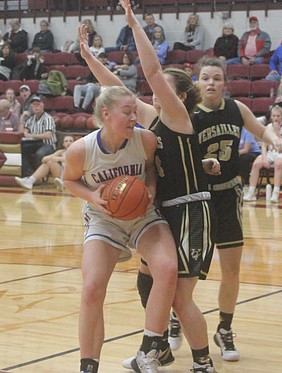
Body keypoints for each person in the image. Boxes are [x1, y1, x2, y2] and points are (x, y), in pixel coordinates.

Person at [79, 0, 219, 373]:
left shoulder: (176, 116)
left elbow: (153, 71)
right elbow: (117, 90)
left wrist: (133, 22)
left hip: (189, 208)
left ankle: (196, 362)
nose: (154, 90)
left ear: (180, 96)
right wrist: (91, 58)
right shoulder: (153, 118)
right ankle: (158, 351)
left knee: (181, 296)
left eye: (165, 88)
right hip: (160, 211)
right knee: (157, 284)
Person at [62, 82, 177, 373]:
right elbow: (68, 181)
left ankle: (148, 352)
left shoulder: (145, 140)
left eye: (135, 111)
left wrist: (150, 186)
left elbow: (150, 167)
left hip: (142, 215)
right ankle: (88, 365)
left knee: (167, 268)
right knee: (91, 288)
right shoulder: (81, 150)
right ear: (107, 114)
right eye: (127, 112)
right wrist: (92, 196)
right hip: (104, 219)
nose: (134, 118)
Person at [194, 57, 282, 362]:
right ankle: (174, 317)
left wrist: (275, 140)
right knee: (189, 271)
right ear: (197, 82)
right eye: (205, 78)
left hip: (228, 194)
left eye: (216, 78)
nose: (211, 83)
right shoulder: (188, 113)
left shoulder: (236, 109)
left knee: (231, 269)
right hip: (197, 198)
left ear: (224, 83)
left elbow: (262, 132)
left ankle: (224, 328)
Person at [244, 105, 282, 204]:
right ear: (271, 117)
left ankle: (275, 192)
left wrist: (277, 132)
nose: (276, 118)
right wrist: (264, 158)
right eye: (274, 116)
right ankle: (251, 192)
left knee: (278, 164)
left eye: (278, 116)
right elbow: (263, 145)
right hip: (270, 152)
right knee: (256, 164)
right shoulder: (267, 127)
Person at [19, 96, 56, 180]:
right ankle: (29, 175)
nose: (36, 106)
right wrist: (22, 118)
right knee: (20, 150)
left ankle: (37, 177)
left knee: (39, 154)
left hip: (48, 144)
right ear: (31, 107)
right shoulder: (30, 120)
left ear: (43, 105)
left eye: (38, 104)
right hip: (34, 144)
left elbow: (48, 135)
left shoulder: (48, 118)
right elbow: (22, 133)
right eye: (34, 105)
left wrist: (31, 135)